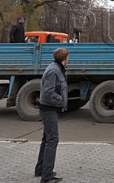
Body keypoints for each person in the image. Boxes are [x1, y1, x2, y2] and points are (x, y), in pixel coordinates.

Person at [35, 47, 69, 183]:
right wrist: (61, 101)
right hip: (49, 109)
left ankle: (41, 169)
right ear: (64, 59)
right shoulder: (54, 71)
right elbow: (48, 93)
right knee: (52, 140)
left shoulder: (56, 68)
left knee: (47, 139)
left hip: (50, 109)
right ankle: (47, 176)